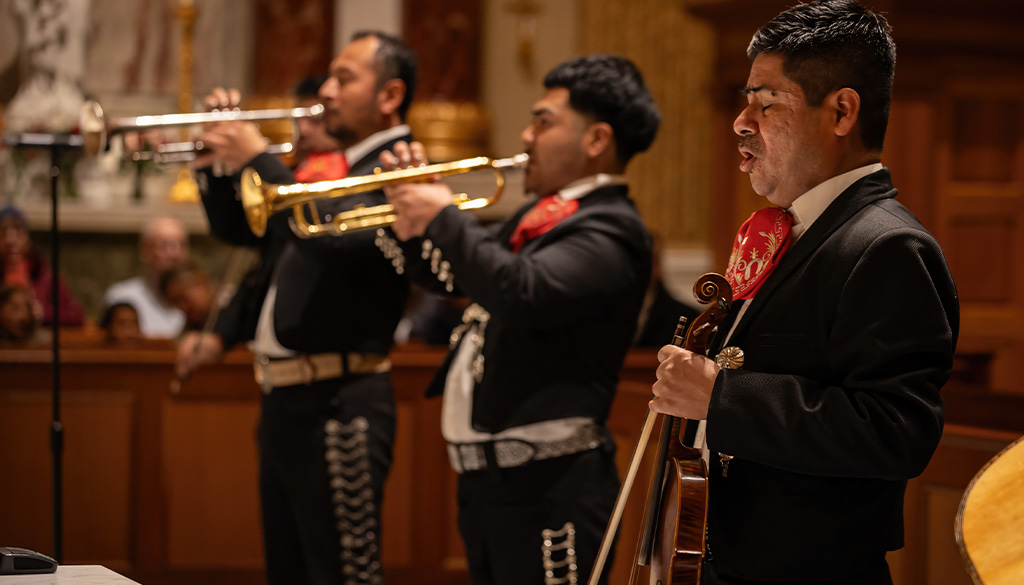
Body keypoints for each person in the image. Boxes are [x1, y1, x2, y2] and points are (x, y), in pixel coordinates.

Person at [649, 2, 959, 584]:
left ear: (841, 111)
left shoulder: (887, 245)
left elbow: (896, 432)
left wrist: (720, 395)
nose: (742, 122)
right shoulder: (793, 231)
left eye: (767, 103)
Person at [377, 54, 660, 585]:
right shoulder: (541, 216)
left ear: (597, 140)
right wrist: (406, 218)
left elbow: (520, 292)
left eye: (544, 122)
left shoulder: (612, 229)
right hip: (490, 487)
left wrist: (442, 214)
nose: (526, 136)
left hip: (551, 488)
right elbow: (456, 279)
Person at [176, 30, 416, 585]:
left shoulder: (400, 163)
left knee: (342, 574)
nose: (326, 91)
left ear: (390, 95)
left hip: (341, 401)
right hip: (287, 397)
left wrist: (257, 157)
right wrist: (218, 162)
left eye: (344, 78)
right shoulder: (334, 170)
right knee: (289, 571)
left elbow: (328, 234)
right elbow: (245, 231)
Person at [0, 204, 84, 327]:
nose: (10, 241)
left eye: (17, 233)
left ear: (27, 239)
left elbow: (77, 315)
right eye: (3, 234)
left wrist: (45, 312)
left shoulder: (45, 275)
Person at [104, 216, 188, 338]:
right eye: (165, 245)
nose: (175, 254)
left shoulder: (198, 304)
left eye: (182, 245)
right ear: (145, 249)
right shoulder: (121, 297)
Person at [159, 262, 213, 332]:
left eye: (182, 298)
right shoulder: (189, 331)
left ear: (201, 282)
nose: (182, 308)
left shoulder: (229, 307)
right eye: (175, 303)